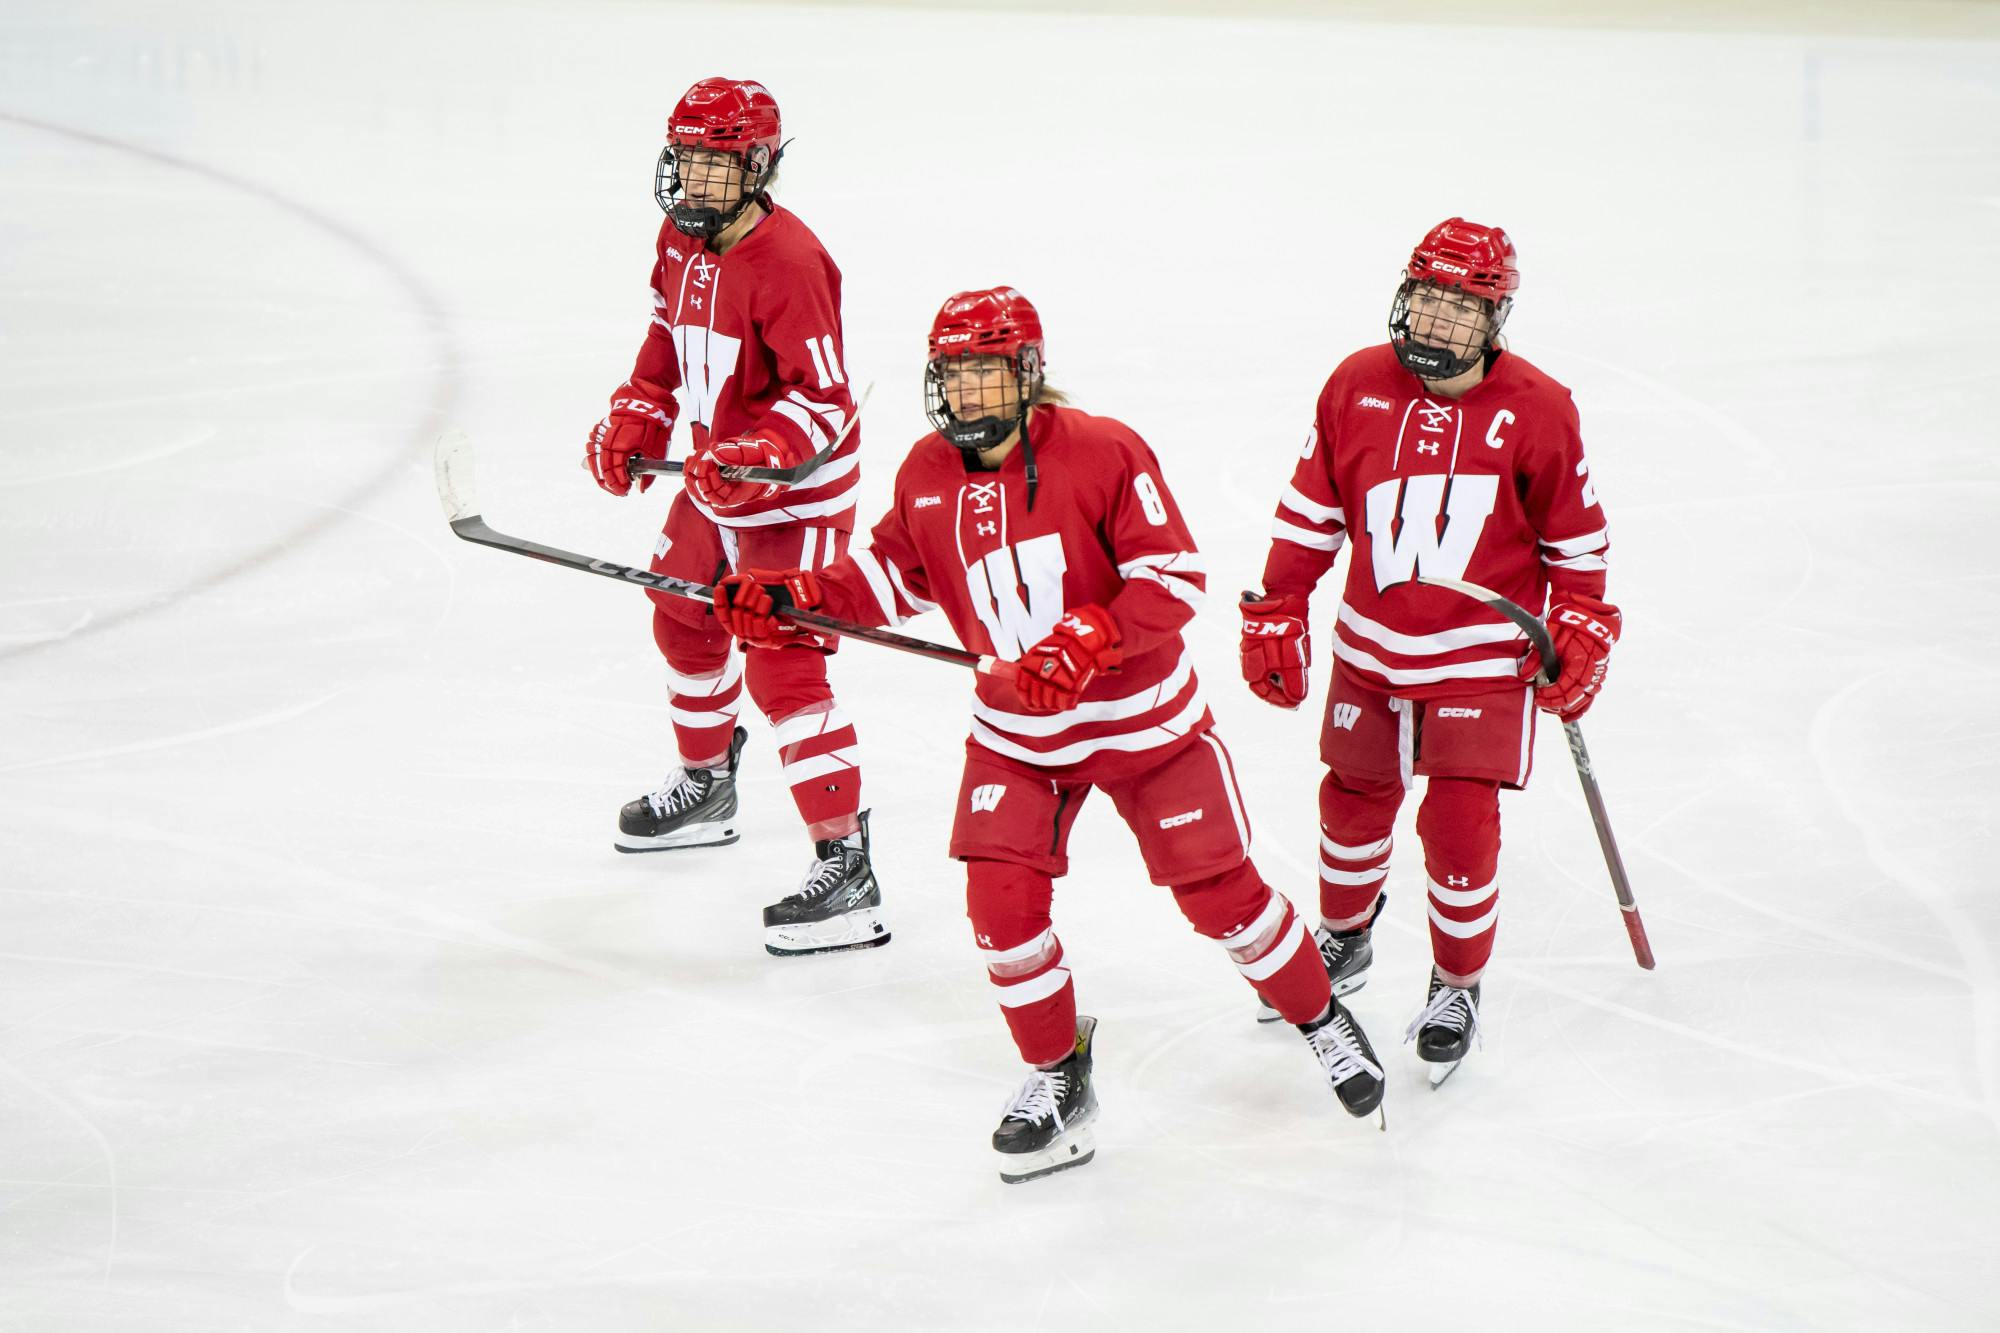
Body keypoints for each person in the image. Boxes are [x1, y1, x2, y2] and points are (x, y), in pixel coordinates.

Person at [710, 287, 1385, 1184]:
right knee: (1001, 917)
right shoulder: (923, 472)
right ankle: (1056, 1074)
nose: (968, 394)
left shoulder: (1102, 450)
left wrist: (1090, 635)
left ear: (1029, 374)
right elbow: (886, 576)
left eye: (987, 373)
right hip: (1017, 737)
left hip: (1148, 729)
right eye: (953, 375)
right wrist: (793, 600)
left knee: (1222, 898)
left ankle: (1319, 1017)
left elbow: (1175, 576)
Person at [1239, 218, 1620, 1083]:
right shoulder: (1356, 385)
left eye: (1463, 307)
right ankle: (1346, 935)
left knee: (1458, 825)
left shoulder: (1539, 407)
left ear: (1496, 317)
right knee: (1350, 803)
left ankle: (1457, 982)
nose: (1439, 324)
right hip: (1370, 649)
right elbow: (1312, 511)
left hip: (1481, 661)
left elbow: (1577, 543)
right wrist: (1279, 603)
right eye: (1428, 300)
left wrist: (1585, 624)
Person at [581, 76, 884, 957]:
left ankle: (849, 865)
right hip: (719, 480)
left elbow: (824, 402)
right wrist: (637, 414)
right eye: (684, 161)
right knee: (680, 611)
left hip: (798, 491)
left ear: (758, 167)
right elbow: (662, 351)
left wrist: (758, 458)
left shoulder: (791, 263)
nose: (692, 184)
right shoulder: (678, 240)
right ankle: (708, 783)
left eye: (715, 167)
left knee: (784, 663)